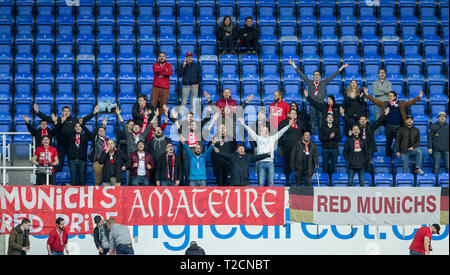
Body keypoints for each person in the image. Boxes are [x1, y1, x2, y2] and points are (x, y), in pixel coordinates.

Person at [289, 59, 348, 135]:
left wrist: (341, 68)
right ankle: (313, 138)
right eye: (315, 75)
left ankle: (321, 137)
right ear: (313, 77)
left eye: (318, 75)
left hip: (321, 105)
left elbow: (332, 76)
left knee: (321, 123)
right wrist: (294, 65)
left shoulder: (323, 82)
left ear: (320, 76)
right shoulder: (309, 82)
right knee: (312, 124)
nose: (316, 77)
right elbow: (301, 75)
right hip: (312, 106)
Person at [34, 103, 98, 172]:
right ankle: (54, 181)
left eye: (67, 111)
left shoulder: (74, 120)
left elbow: (85, 119)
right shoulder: (58, 120)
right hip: (60, 146)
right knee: (59, 164)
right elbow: (46, 118)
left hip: (71, 146)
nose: (66, 112)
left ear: (70, 112)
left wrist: (94, 113)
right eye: (65, 111)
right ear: (62, 112)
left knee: (72, 166)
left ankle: (73, 182)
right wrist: (38, 112)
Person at [364, 87, 424, 159]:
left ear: (395, 97)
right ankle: (388, 158)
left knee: (400, 144)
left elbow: (410, 102)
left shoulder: (401, 104)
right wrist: (367, 94)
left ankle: (400, 159)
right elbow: (375, 101)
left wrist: (419, 97)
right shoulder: (385, 104)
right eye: (389, 96)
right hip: (389, 127)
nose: (389, 97)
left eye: (391, 96)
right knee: (388, 144)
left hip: (399, 128)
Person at [239, 117, 293, 186]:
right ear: (261, 132)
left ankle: (270, 196)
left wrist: (288, 125)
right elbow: (250, 131)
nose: (266, 131)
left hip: (270, 163)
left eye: (267, 130)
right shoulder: (258, 138)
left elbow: (281, 132)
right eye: (264, 130)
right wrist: (244, 125)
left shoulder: (272, 138)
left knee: (271, 183)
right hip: (261, 163)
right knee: (261, 184)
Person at [340, 106, 389, 176]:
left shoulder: (370, 127)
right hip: (358, 152)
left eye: (364, 119)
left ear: (366, 121)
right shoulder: (356, 128)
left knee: (367, 167)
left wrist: (385, 114)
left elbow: (378, 122)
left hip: (368, 151)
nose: (363, 120)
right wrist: (343, 114)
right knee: (357, 169)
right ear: (359, 121)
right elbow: (348, 122)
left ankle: (367, 181)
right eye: (361, 119)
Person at [278, 109, 309, 185]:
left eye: (295, 113)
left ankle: (299, 182)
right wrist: (280, 146)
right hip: (287, 147)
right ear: (288, 114)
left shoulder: (301, 123)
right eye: (292, 113)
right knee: (288, 164)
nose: (294, 115)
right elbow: (279, 135)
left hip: (298, 148)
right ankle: (287, 180)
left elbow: (305, 134)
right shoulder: (283, 123)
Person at [63, 119, 94, 186]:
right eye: (76, 126)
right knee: (73, 180)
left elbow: (92, 136)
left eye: (79, 126)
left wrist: (83, 125)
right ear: (74, 128)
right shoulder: (70, 136)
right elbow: (63, 133)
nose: (78, 128)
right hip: (72, 160)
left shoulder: (85, 136)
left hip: (82, 160)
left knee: (82, 181)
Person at [88, 119, 109, 186]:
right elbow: (93, 134)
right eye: (100, 130)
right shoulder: (96, 138)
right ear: (97, 132)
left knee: (106, 181)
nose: (102, 132)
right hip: (98, 162)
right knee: (97, 181)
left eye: (103, 130)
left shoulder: (108, 140)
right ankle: (96, 195)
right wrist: (103, 125)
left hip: (106, 163)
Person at [428, 112, 449, 178]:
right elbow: (430, 138)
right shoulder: (433, 126)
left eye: (443, 116)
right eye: (440, 116)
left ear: (446, 118)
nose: (442, 117)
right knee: (436, 167)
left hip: (447, 150)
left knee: (448, 166)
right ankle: (436, 182)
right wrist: (430, 147)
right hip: (437, 150)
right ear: (438, 118)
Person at [371, 68, 392, 134]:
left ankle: (388, 136)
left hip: (387, 104)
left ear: (385, 74)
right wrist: (385, 91)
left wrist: (379, 89)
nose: (382, 74)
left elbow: (389, 92)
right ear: (378, 74)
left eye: (383, 73)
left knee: (388, 121)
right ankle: (376, 137)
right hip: (378, 104)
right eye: (380, 73)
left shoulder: (389, 83)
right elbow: (375, 93)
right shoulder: (374, 83)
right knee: (377, 121)